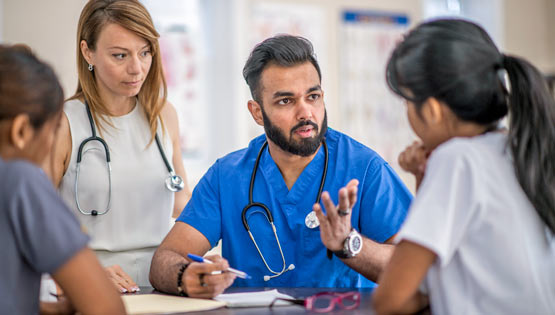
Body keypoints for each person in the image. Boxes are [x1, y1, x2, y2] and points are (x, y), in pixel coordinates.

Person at [149, 35, 412, 298]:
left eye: (313, 96)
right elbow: (165, 258)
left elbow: (411, 267)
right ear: (257, 112)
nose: (306, 113)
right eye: (286, 101)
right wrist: (186, 276)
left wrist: (349, 244)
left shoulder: (365, 169)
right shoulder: (226, 177)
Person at [372, 19, 555, 315]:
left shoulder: (458, 160)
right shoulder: (520, 147)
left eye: (405, 101)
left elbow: (391, 300)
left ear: (431, 110)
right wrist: (423, 175)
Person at [50, 0, 192, 292]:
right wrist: (85, 275)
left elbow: (182, 204)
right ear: (87, 51)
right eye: (120, 55)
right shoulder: (62, 124)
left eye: (145, 52)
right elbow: (36, 224)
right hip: (92, 286)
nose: (137, 69)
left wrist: (201, 263)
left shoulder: (163, 115)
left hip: (160, 285)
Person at [0, 45, 125, 315]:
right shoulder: (20, 179)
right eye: (54, 128)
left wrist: (47, 309)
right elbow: (106, 307)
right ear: (21, 130)